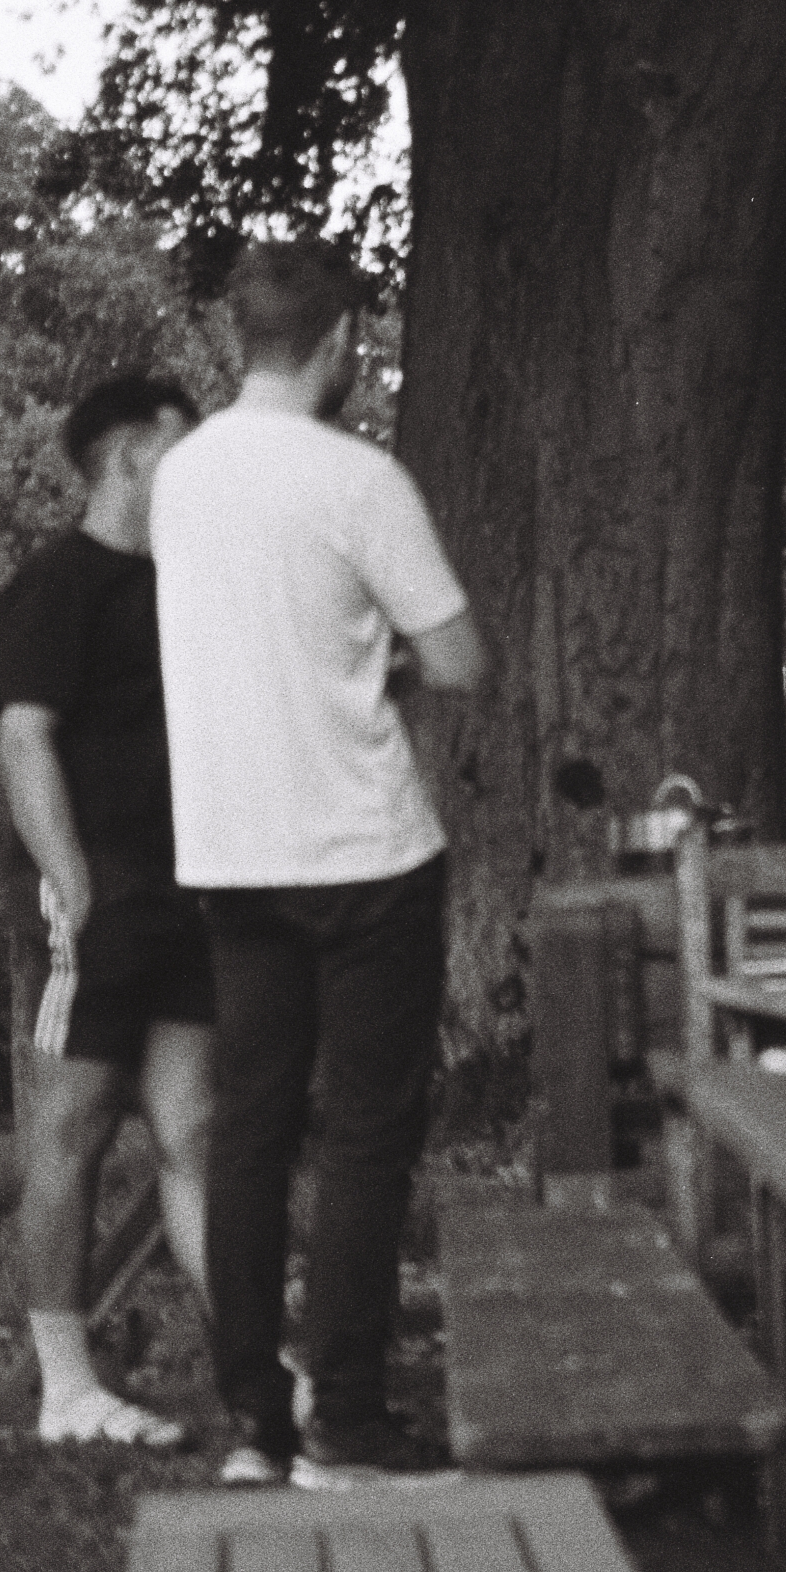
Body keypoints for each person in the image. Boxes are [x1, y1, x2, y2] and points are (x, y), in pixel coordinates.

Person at [150, 240, 485, 1488]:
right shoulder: (358, 479)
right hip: (363, 852)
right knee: (362, 1139)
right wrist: (378, 663)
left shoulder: (182, 479)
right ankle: (347, 1421)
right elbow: (457, 662)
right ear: (343, 339)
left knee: (249, 1133)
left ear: (244, 338)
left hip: (231, 853)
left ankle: (258, 1422)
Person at [0, 372, 213, 1448]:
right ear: (130, 456)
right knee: (70, 1134)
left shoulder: (188, 580)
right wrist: (74, 887)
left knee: (194, 1134)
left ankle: (261, 1367)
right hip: (106, 894)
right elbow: (24, 736)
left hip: (195, 895)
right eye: (183, 444)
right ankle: (65, 1387)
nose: (200, 464)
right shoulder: (57, 587)